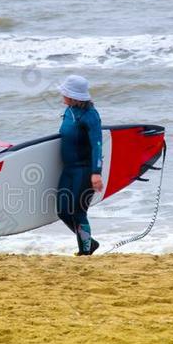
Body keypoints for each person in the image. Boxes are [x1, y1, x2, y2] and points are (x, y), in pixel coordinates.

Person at [56, 75, 103, 256]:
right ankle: (89, 243)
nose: (62, 94)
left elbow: (97, 144)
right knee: (62, 211)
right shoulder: (69, 111)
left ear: (73, 96)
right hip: (68, 169)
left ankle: (85, 252)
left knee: (78, 211)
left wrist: (96, 173)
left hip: (85, 170)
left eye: (65, 92)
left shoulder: (90, 115)